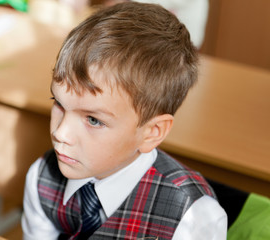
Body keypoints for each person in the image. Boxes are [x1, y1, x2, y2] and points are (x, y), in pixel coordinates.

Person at [22, 2, 227, 239]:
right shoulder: (41, 177)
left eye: (93, 120)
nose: (61, 133)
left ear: (152, 132)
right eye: (58, 104)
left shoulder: (191, 217)